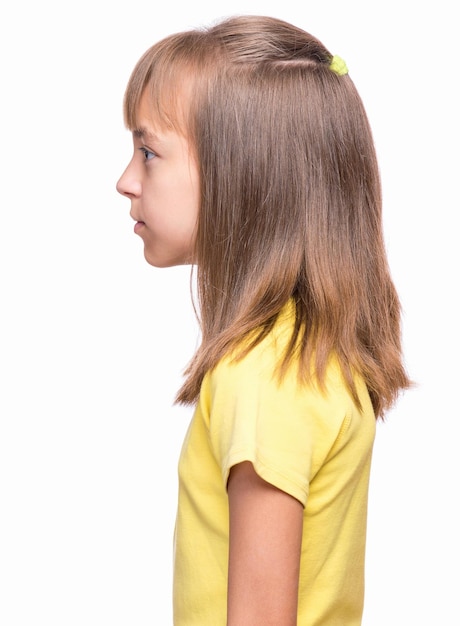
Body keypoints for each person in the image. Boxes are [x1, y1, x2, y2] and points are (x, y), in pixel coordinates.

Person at [116, 14, 411, 626]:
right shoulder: (302, 356)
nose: (125, 181)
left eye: (149, 153)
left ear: (240, 177)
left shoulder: (264, 377)